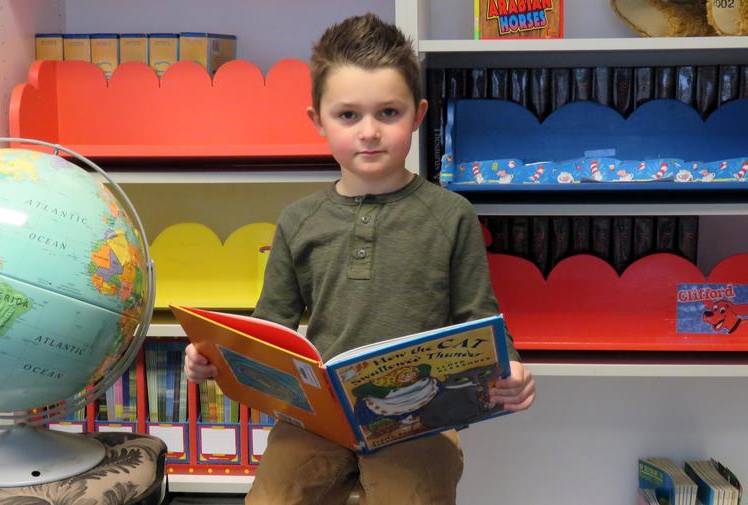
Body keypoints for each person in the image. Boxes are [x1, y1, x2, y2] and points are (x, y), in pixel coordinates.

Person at [185, 12, 536, 505]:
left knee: (413, 496)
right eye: (348, 115)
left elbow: (479, 318)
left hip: (422, 417)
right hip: (318, 419)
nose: (369, 132)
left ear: (417, 114)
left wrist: (512, 369)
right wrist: (213, 358)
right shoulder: (298, 221)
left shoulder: (451, 215)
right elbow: (270, 329)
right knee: (271, 498)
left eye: (388, 113)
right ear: (318, 120)